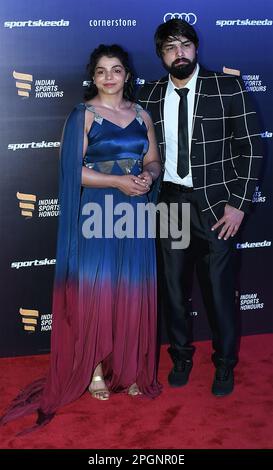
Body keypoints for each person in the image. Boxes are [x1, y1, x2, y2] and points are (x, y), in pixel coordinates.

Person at [1, 44, 161, 433]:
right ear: (94, 76)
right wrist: (117, 181)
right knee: (97, 291)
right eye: (102, 71)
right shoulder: (83, 116)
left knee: (132, 288)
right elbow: (72, 170)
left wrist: (148, 177)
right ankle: (92, 372)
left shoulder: (142, 114)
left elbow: (153, 158)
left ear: (127, 75)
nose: (110, 77)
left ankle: (132, 366)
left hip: (135, 211)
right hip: (97, 211)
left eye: (117, 70)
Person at [138, 19, 263, 396]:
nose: (179, 53)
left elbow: (252, 148)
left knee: (220, 292)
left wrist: (239, 204)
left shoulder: (226, 87)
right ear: (161, 56)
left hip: (215, 206)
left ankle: (224, 364)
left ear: (196, 48)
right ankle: (181, 357)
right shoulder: (150, 96)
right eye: (170, 48)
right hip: (171, 203)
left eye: (185, 45)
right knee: (174, 292)